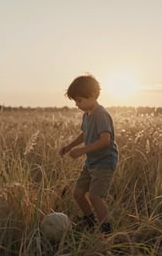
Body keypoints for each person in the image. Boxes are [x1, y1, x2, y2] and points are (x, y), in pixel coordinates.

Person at [59, 74, 118, 234]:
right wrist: (69, 146)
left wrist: (82, 151)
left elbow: (105, 140)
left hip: (104, 162)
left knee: (95, 196)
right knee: (78, 193)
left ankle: (106, 230)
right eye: (75, 101)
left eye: (79, 100)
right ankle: (90, 220)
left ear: (92, 96)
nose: (77, 105)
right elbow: (85, 134)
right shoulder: (87, 115)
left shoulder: (101, 114)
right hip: (91, 162)